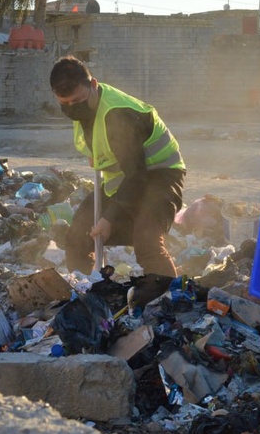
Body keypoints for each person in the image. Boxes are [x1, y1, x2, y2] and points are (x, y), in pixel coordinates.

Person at [50, 55, 185, 277]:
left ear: (93, 85)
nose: (73, 108)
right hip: (122, 180)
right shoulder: (87, 110)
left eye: (78, 100)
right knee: (77, 237)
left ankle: (168, 299)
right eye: (65, 104)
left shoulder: (119, 115)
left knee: (147, 240)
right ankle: (88, 291)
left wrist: (109, 218)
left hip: (160, 175)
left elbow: (136, 176)